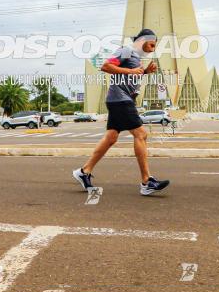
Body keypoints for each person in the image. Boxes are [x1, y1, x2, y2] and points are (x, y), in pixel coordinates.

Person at [73, 28, 170, 196]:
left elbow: (130, 77)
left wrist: (145, 72)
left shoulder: (136, 57)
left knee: (111, 138)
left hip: (121, 100)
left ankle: (84, 171)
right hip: (120, 99)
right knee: (141, 134)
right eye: (152, 45)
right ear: (142, 40)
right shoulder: (126, 50)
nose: (153, 49)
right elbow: (106, 66)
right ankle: (146, 181)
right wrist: (131, 71)